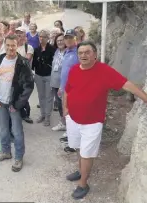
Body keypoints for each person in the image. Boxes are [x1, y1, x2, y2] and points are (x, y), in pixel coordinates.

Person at [63, 40, 147, 199]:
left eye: (87, 52)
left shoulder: (104, 70)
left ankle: (83, 183)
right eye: (80, 53)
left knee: (87, 153)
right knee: (78, 148)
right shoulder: (74, 69)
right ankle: (81, 170)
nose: (83, 55)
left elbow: (126, 84)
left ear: (95, 55)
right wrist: (65, 109)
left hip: (92, 122)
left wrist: (145, 98)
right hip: (73, 118)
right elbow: (67, 90)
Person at [0, 34, 34, 172]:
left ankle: (19, 157)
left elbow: (28, 86)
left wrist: (18, 104)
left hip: (14, 104)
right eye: (8, 45)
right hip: (0, 101)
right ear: (5, 45)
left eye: (13, 45)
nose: (10, 48)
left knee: (17, 131)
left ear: (17, 45)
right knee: (3, 128)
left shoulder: (23, 62)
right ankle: (6, 151)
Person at [58, 29, 80, 152]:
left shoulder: (78, 52)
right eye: (66, 38)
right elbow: (64, 72)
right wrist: (61, 87)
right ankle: (70, 136)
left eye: (70, 37)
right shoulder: (67, 51)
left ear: (75, 38)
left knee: (73, 115)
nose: (68, 40)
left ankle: (75, 143)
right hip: (64, 89)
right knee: (67, 114)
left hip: (73, 90)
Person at [32, 29, 56, 126]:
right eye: (40, 37)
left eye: (44, 37)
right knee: (41, 96)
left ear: (48, 38)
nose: (41, 38)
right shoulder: (36, 49)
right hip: (38, 75)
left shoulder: (52, 49)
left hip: (49, 76)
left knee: (49, 97)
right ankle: (42, 114)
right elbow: (33, 63)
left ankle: (47, 117)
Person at [15, 27, 34, 124]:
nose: (18, 35)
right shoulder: (13, 47)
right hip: (14, 76)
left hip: (25, 77)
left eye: (21, 33)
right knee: (16, 95)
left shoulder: (28, 47)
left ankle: (26, 114)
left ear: (24, 35)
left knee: (24, 96)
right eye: (17, 33)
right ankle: (19, 113)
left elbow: (26, 60)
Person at [50, 33, 66, 131]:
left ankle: (67, 124)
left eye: (62, 40)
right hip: (55, 82)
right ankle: (63, 122)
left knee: (65, 104)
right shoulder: (56, 52)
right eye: (58, 40)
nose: (60, 42)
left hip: (63, 83)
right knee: (59, 104)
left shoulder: (68, 52)